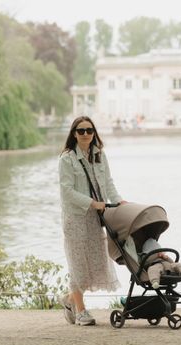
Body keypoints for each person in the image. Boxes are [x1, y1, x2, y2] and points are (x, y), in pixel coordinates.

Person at [59, 116, 127, 326]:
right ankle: (81, 311)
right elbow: (67, 192)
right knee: (78, 263)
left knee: (95, 264)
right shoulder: (67, 159)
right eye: (81, 131)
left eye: (89, 130)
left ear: (94, 133)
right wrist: (92, 203)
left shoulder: (99, 155)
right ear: (74, 134)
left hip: (97, 218)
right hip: (76, 218)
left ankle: (69, 300)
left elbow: (108, 182)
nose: (86, 134)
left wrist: (118, 201)